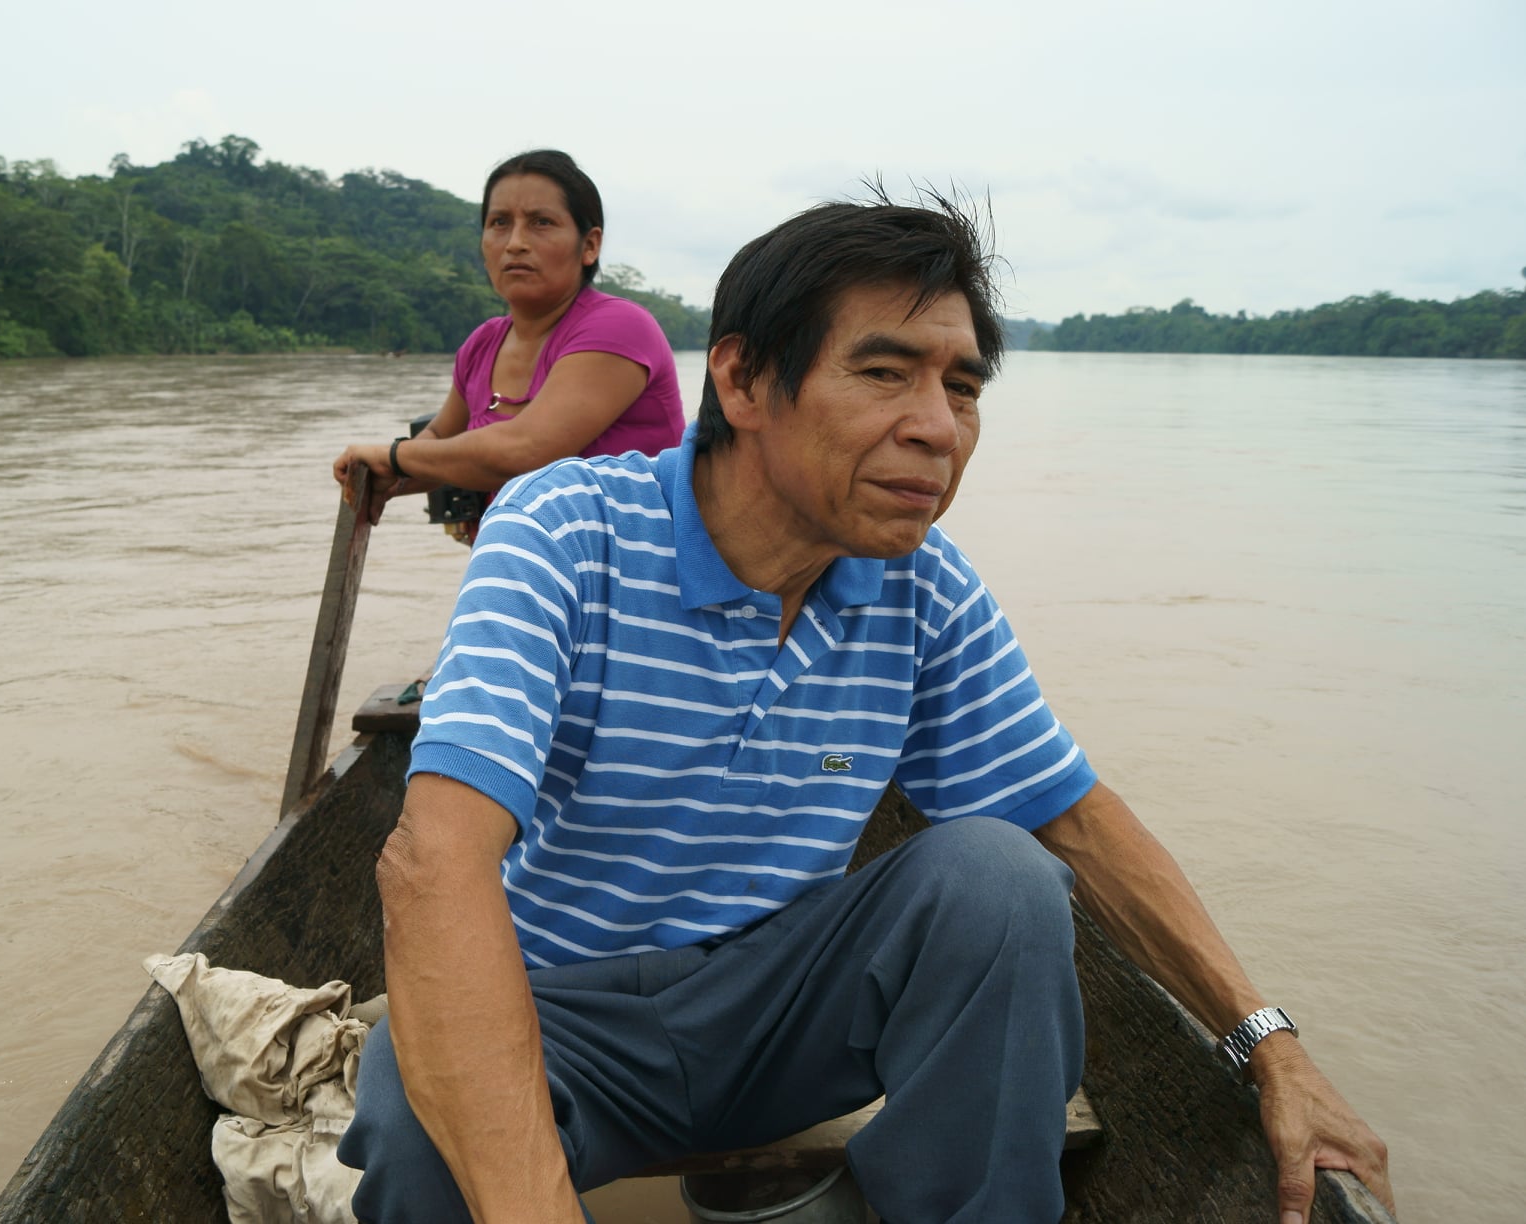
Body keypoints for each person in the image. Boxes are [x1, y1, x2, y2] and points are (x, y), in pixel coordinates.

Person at [336, 195, 1395, 1223]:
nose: (937, 429)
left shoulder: (923, 587)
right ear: (744, 379)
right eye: (885, 373)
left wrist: (1273, 1051)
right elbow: (435, 865)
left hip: (779, 1023)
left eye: (964, 389)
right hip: (567, 1025)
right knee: (409, 1093)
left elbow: (1075, 820)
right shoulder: (567, 531)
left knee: (998, 879)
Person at [331, 149, 685, 542]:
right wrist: (388, 479)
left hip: (634, 576)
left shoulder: (619, 327)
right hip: (530, 574)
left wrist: (394, 457)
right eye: (499, 223)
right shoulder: (482, 344)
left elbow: (525, 449)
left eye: (541, 223)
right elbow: (439, 440)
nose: (515, 242)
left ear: (589, 245)